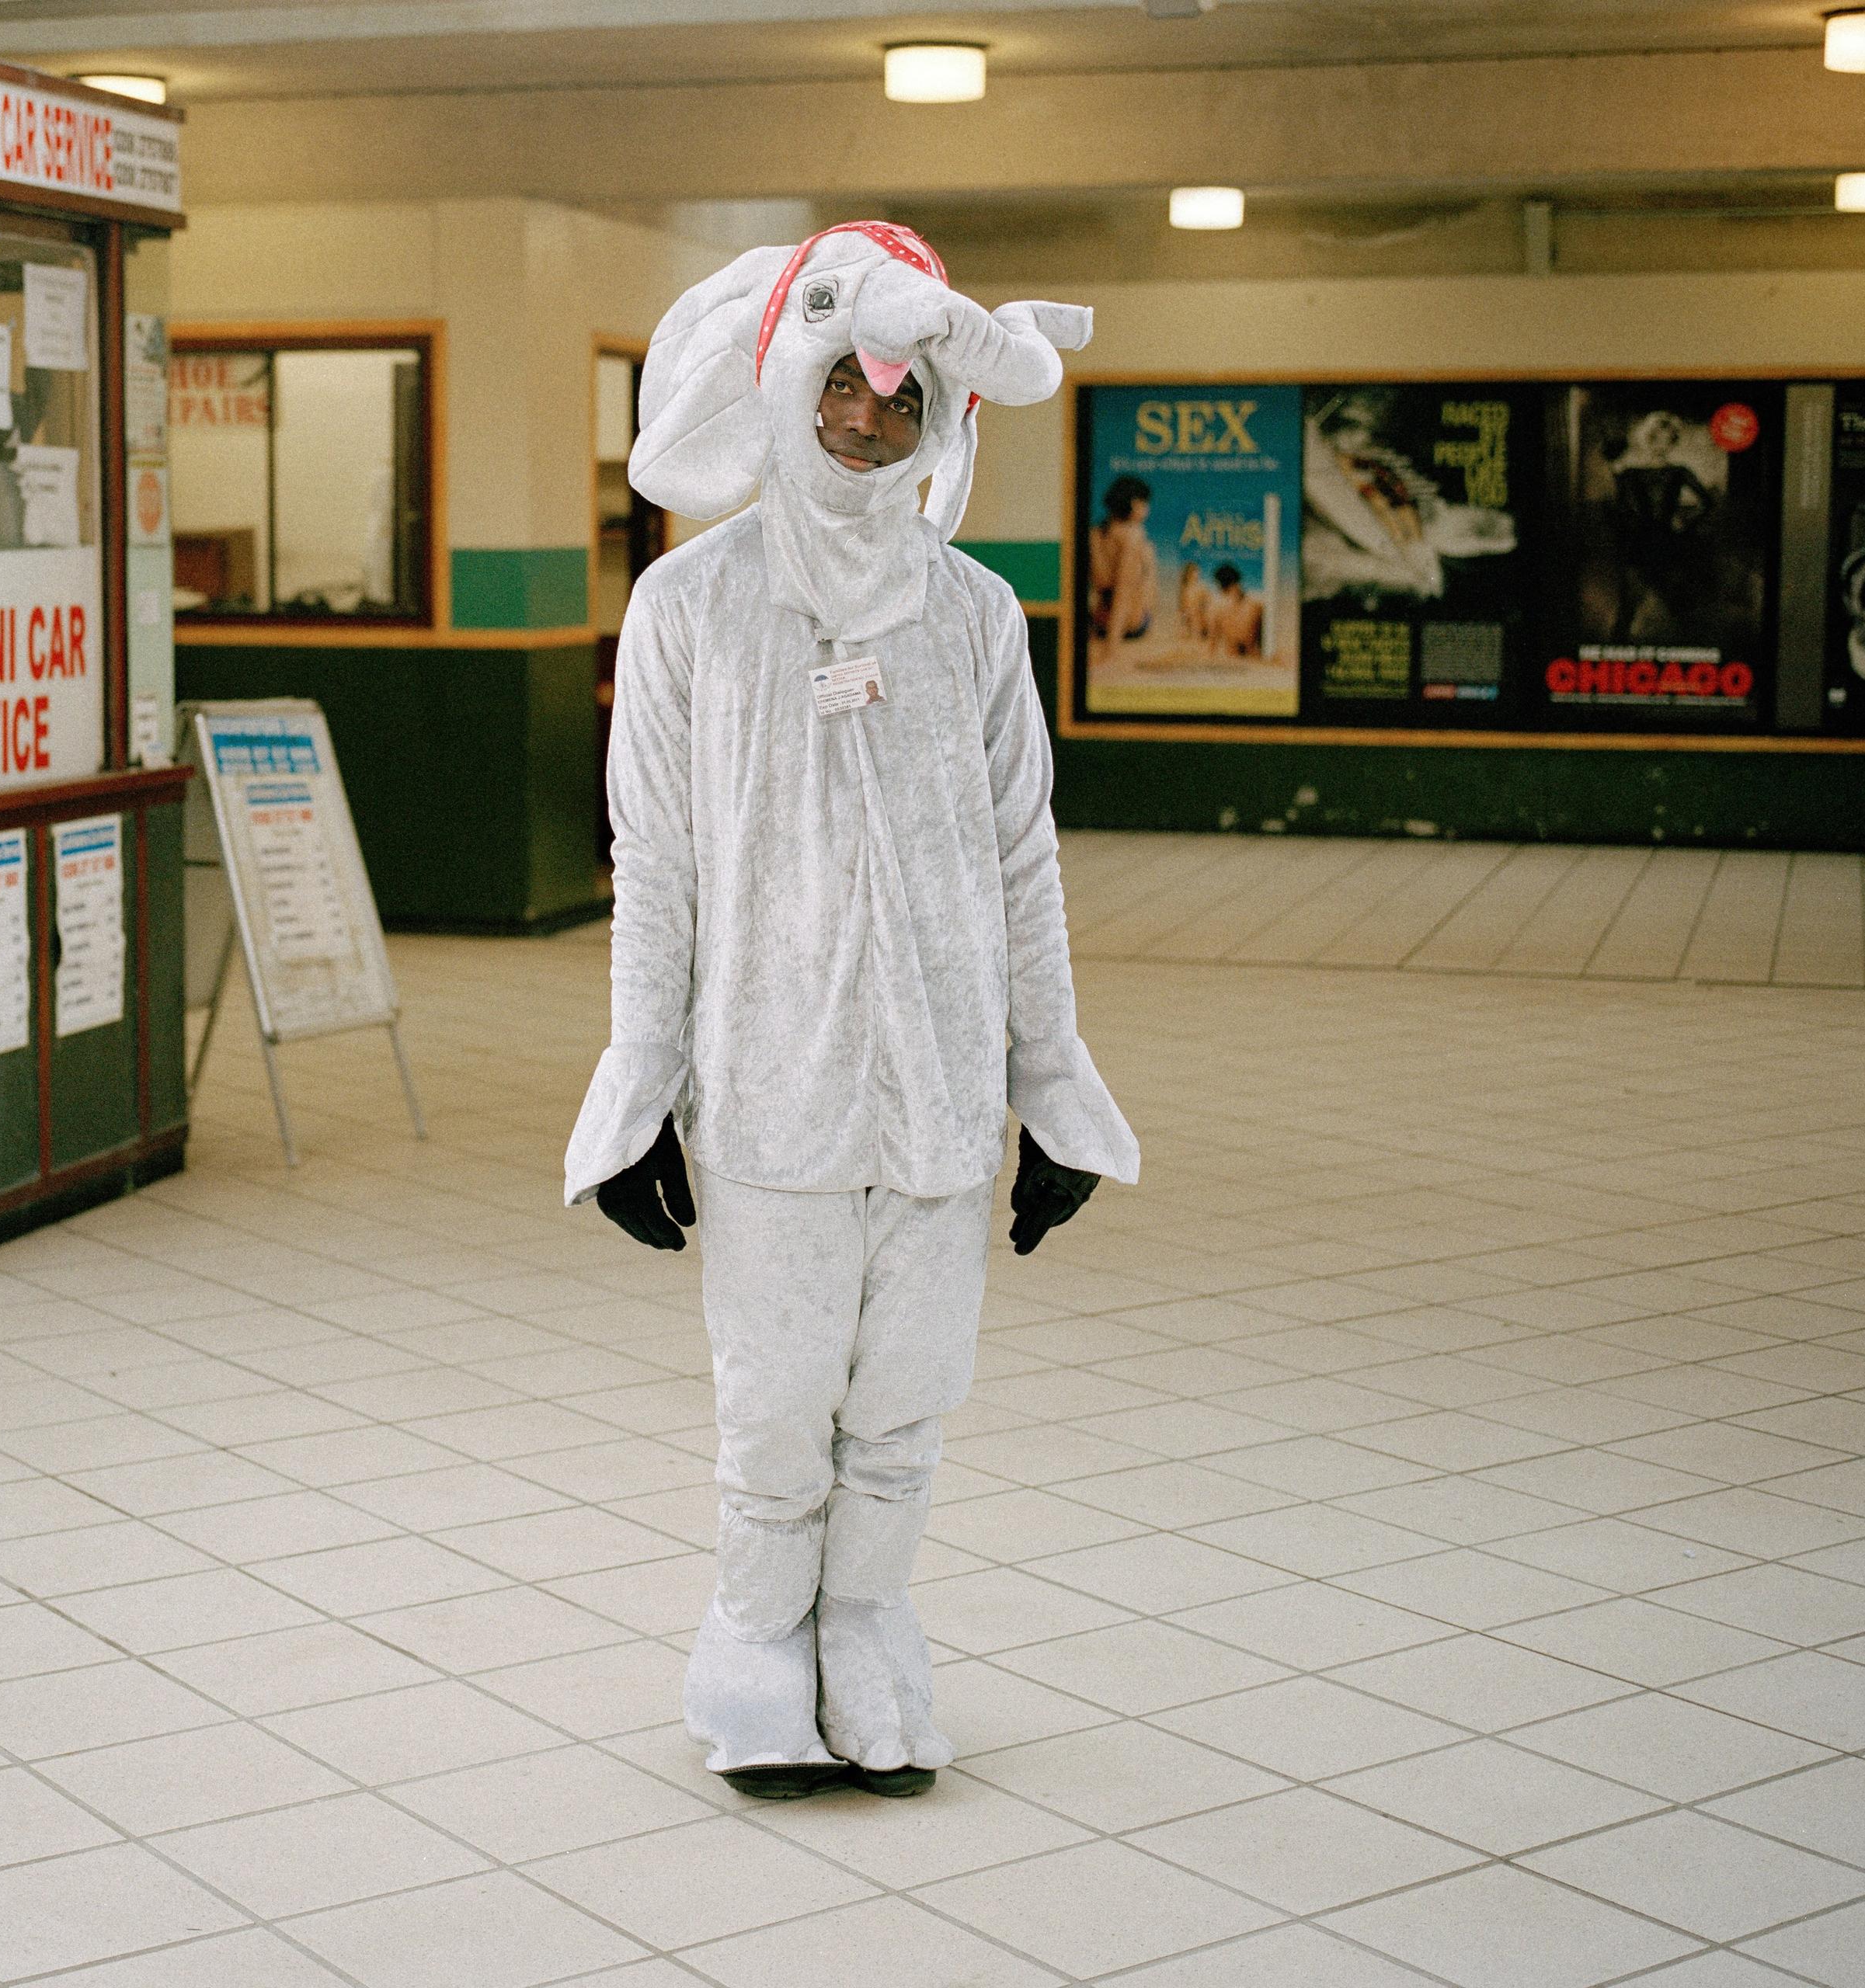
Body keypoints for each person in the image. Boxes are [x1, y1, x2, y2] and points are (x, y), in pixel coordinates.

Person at [567, 223, 1138, 1802]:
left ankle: (870, 1627)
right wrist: (636, 1096)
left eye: (901, 399)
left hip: (945, 1104)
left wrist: (1055, 1088)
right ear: (786, 382)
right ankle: (758, 1644)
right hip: (772, 1096)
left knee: (905, 1407)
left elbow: (1025, 859)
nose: (866, 422)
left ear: (942, 414)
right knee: (777, 1404)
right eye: (842, 387)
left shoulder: (971, 616)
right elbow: (657, 872)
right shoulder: (690, 612)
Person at [1088, 474, 1155, 657]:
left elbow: (1101, 583)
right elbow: (1123, 592)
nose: (1147, 509)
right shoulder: (1133, 535)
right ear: (1134, 503)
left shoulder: (1095, 534)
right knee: (1148, 551)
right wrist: (1111, 649)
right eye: (1144, 503)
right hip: (1131, 625)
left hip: (1098, 621)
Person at [1208, 563, 1265, 658]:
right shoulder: (1257, 605)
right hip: (1254, 660)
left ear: (1220, 585)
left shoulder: (1217, 609)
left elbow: (1212, 645)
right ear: (1238, 579)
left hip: (1233, 662)